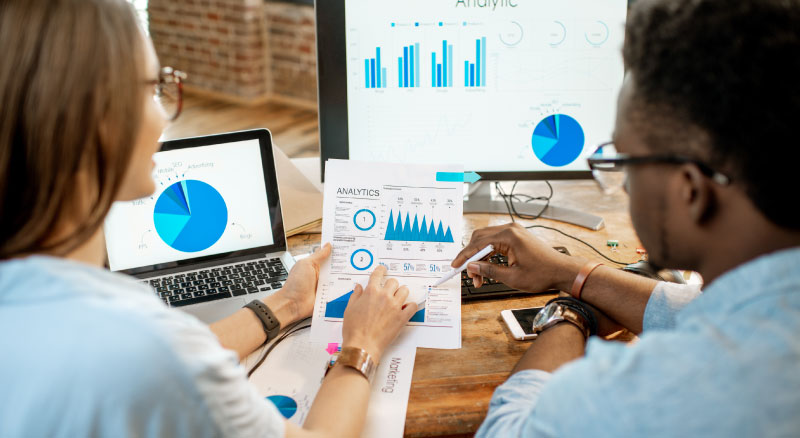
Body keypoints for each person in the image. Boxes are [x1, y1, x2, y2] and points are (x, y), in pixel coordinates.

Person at [0, 1, 418, 436]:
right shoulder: (145, 348)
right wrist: (361, 345)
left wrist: (288, 303)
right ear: (96, 119)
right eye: (151, 89)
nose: (162, 114)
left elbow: (183, 354)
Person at [454, 0, 800, 436]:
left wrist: (568, 315)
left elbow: (508, 429)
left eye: (626, 160)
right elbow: (694, 310)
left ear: (689, 189)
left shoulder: (674, 386)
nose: (626, 184)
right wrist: (567, 272)